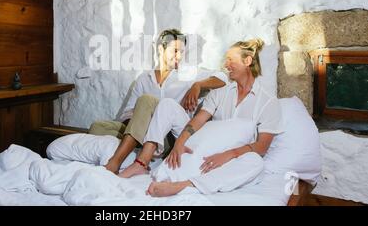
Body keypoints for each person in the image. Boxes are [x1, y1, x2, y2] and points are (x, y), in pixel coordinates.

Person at [121, 39, 283, 197]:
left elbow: (262, 147)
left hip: (234, 156)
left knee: (256, 163)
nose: (226, 65)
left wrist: (229, 154)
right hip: (205, 144)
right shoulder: (221, 92)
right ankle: (141, 163)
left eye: (230, 60)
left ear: (247, 61)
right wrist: (180, 142)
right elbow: (198, 121)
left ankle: (185, 185)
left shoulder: (267, 102)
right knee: (167, 105)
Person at [88, 29, 227, 174]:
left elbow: (223, 78)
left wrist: (197, 85)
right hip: (141, 130)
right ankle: (133, 147)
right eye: (175, 51)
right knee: (97, 127)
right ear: (161, 49)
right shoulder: (144, 79)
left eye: (182, 52)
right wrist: (142, 125)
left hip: (168, 136)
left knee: (146, 100)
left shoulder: (187, 75)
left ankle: (114, 163)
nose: (179, 56)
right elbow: (127, 114)